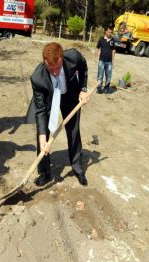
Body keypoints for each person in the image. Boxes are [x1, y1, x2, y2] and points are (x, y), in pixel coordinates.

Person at [25, 42, 90, 187]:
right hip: (49, 98)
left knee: (73, 132)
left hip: (70, 96)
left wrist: (83, 89)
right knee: (42, 136)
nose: (54, 72)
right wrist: (42, 137)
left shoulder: (73, 57)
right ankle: (45, 173)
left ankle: (78, 169)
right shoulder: (37, 78)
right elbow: (40, 110)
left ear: (62, 58)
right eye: (50, 68)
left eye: (58, 68)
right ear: (44, 62)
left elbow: (83, 66)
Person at [95, 27, 116, 94]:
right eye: (109, 32)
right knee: (100, 76)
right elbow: (97, 48)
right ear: (106, 32)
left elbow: (113, 50)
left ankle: (106, 89)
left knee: (108, 76)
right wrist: (95, 57)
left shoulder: (113, 40)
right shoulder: (101, 39)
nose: (110, 33)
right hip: (102, 61)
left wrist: (113, 60)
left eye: (111, 32)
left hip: (109, 62)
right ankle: (99, 89)